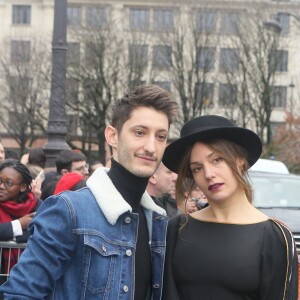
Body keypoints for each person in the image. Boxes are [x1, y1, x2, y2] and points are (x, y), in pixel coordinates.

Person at [0, 84, 178, 299]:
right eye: (139, 132)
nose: (151, 146)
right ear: (112, 135)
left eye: (160, 136)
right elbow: (20, 294)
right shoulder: (69, 210)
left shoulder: (157, 219)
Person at [162, 115, 298, 300]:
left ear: (240, 159)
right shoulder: (176, 229)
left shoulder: (274, 235)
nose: (209, 174)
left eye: (217, 160)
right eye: (197, 168)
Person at [0, 159, 42, 272]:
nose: (1, 186)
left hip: (28, 273)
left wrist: (7, 235)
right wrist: (18, 225)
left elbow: (41, 235)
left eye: (8, 183)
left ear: (23, 187)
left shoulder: (37, 205)